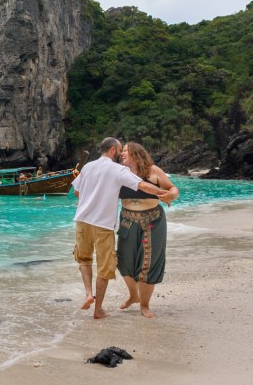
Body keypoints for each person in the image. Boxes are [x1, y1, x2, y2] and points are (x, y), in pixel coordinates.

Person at [71, 137, 167, 319]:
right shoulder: (118, 169)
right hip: (103, 224)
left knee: (84, 259)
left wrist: (92, 196)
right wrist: (161, 193)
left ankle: (88, 293)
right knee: (105, 268)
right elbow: (141, 184)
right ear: (113, 150)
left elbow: (77, 191)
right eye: (120, 150)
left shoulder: (88, 167)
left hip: (82, 221)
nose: (122, 154)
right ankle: (98, 309)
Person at [116, 142, 178, 319]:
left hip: (153, 220)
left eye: (126, 151)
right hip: (127, 220)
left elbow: (172, 188)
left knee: (148, 263)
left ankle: (144, 305)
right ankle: (133, 295)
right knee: (123, 261)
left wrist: (172, 194)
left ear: (136, 154)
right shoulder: (120, 173)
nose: (122, 154)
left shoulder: (153, 171)